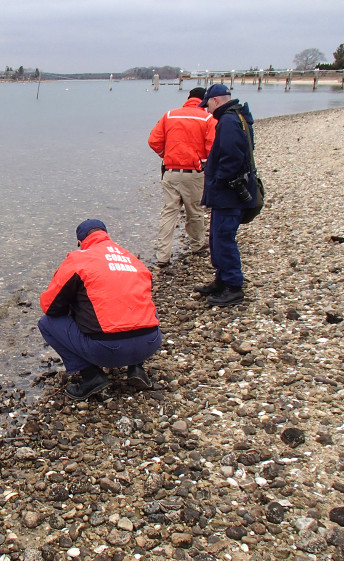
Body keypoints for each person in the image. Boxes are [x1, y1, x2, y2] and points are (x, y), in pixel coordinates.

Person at [38, 219, 163, 400]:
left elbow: (49, 306)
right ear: (106, 236)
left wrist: (74, 308)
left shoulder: (78, 259)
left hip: (107, 350)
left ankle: (91, 377)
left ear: (81, 242)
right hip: (150, 342)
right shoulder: (132, 259)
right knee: (141, 305)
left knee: (47, 323)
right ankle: (137, 367)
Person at [195, 83, 258, 306]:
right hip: (230, 192)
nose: (207, 110)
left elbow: (232, 156)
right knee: (217, 238)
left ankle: (233, 286)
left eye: (208, 105)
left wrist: (219, 178)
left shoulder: (229, 122)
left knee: (223, 238)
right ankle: (222, 280)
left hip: (228, 194)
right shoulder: (237, 117)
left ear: (216, 101)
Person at [148, 87, 216, 267]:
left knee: (168, 213)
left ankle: (163, 255)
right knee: (194, 211)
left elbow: (153, 141)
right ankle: (196, 245)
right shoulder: (208, 119)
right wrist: (204, 162)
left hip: (170, 171)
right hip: (193, 173)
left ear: (188, 98)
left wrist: (166, 154)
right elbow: (213, 148)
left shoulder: (170, 115)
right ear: (204, 100)